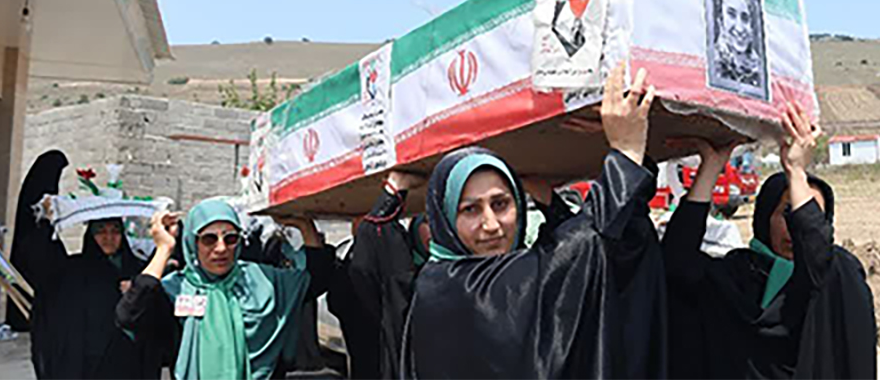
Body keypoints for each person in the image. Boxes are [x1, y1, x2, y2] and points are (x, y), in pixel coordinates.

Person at [401, 62, 668, 378]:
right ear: (443, 219)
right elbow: (578, 249)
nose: (491, 225)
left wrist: (552, 203)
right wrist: (625, 153)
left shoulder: (461, 281)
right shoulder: (447, 288)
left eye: (501, 204)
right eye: (470, 210)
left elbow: (575, 260)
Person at [663, 104, 877, 379]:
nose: (796, 227)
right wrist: (711, 168)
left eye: (809, 215)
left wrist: (796, 172)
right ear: (765, 217)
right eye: (787, 213)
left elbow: (815, 254)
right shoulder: (738, 275)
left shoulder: (834, 281)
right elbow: (677, 262)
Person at [116, 199, 332, 380]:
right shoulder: (176, 288)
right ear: (193, 243)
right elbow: (129, 315)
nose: (221, 248)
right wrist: (164, 249)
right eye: (209, 239)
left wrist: (305, 227)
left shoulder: (261, 279)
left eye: (230, 239)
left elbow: (316, 278)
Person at [7, 150, 161, 379]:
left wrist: (137, 291)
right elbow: (39, 255)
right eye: (101, 231)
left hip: (129, 366)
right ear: (90, 235)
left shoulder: (138, 268)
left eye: (115, 231)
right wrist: (44, 217)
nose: (108, 238)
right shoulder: (74, 271)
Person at [326, 171, 427, 379]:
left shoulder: (448, 272)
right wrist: (391, 196)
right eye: (426, 221)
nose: (433, 230)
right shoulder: (395, 272)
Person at [713, 0, 762, 87]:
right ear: (720, 18)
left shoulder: (758, 71)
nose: (739, 28)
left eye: (745, 18)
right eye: (731, 14)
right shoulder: (711, 63)